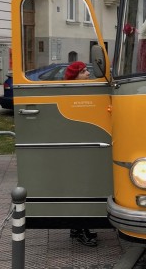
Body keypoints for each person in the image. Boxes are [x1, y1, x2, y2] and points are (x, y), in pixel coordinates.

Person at [64, 61, 97, 247]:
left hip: (82, 146)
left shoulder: (83, 90)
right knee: (80, 188)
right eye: (83, 71)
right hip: (77, 148)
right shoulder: (74, 93)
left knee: (82, 187)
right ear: (74, 76)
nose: (87, 74)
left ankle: (78, 228)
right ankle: (80, 228)